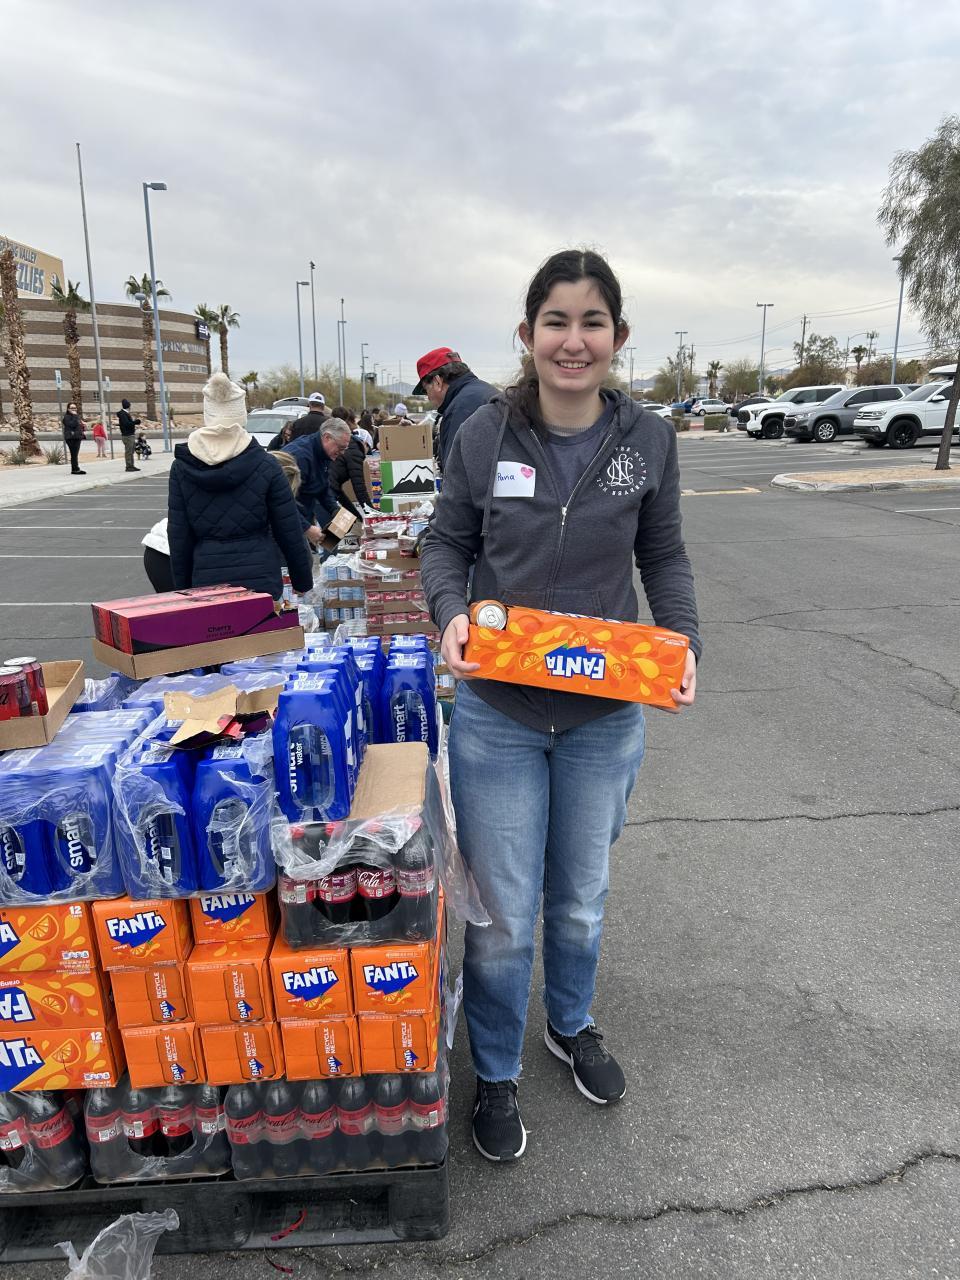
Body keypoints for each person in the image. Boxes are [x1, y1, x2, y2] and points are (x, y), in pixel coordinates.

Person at [420, 248, 701, 1163]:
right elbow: (446, 543)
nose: (573, 341)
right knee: (503, 915)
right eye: (555, 322)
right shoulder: (483, 434)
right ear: (527, 333)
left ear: (618, 336)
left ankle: (570, 1024)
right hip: (499, 715)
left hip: (601, 715)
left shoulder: (648, 440)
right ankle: (496, 1069)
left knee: (579, 900)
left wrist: (684, 644)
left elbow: (664, 556)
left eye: (591, 322)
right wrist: (451, 613)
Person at [167, 372, 313, 599]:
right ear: (242, 415)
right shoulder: (266, 465)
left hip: (207, 578)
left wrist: (183, 588)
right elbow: (289, 529)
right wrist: (302, 580)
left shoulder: (181, 468)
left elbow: (179, 536)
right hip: (260, 577)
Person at [413, 346, 498, 470]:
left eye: (426, 390)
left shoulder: (460, 409)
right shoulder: (487, 392)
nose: (429, 398)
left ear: (437, 382)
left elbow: (456, 470)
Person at [282, 418, 352, 546]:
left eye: (345, 449)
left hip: (300, 518)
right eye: (341, 447)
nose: (342, 453)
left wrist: (334, 509)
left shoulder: (323, 454)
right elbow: (282, 501)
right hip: (285, 526)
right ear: (327, 438)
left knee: (328, 542)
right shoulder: (300, 457)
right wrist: (307, 528)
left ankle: (329, 555)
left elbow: (322, 486)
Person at [329, 424, 373, 518]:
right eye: (368, 450)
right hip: (323, 493)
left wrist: (356, 517)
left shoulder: (349, 445)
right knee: (333, 526)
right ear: (365, 444)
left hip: (324, 488)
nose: (365, 455)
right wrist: (371, 513)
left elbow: (337, 489)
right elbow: (359, 487)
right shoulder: (356, 451)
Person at [116, 399, 141, 472]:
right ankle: (129, 466)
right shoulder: (123, 414)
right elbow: (126, 424)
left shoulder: (124, 413)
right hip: (127, 435)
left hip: (129, 435)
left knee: (131, 451)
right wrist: (135, 422)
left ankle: (131, 465)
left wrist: (134, 423)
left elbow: (125, 424)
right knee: (129, 451)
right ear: (129, 406)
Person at [61, 403, 86, 474]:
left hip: (77, 437)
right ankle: (75, 469)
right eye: (72, 408)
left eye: (75, 408)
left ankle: (75, 468)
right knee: (74, 454)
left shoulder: (76, 416)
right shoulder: (67, 417)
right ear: (68, 409)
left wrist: (82, 425)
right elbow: (72, 425)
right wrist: (75, 416)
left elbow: (77, 426)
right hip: (71, 438)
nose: (74, 409)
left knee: (75, 454)